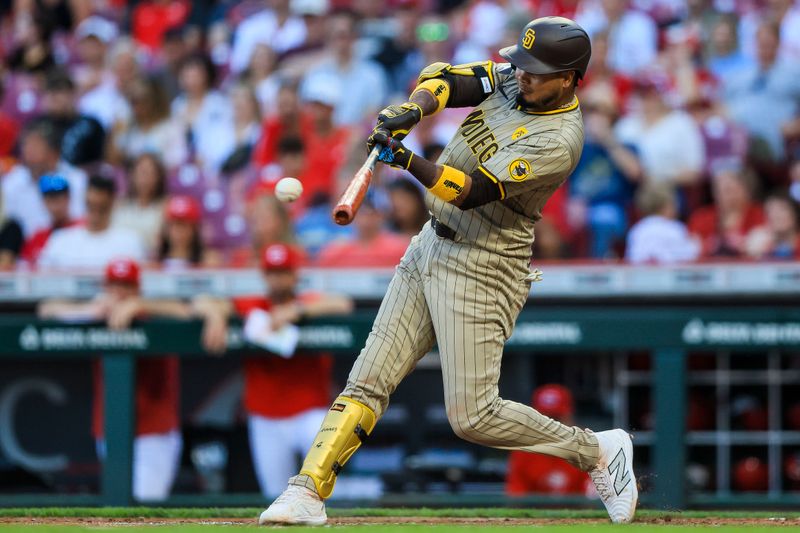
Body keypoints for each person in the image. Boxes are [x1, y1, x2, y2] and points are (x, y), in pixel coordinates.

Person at [260, 17, 637, 526]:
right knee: (368, 378)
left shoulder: (560, 139)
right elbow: (449, 79)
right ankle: (306, 490)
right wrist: (412, 109)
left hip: (484, 263)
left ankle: (595, 451)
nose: (522, 76)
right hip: (429, 245)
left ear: (569, 78)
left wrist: (408, 160)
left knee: (473, 417)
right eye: (522, 65)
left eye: (537, 71)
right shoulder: (514, 77)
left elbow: (471, 188)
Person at [38, 257, 227, 501]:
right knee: (118, 504)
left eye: (126, 286)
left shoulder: (153, 311)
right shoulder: (98, 314)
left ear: (137, 288)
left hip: (155, 431)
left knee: (144, 506)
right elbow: (46, 310)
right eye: (114, 286)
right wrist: (89, 310)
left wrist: (141, 305)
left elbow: (189, 309)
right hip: (110, 427)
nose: (120, 293)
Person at [217, 242, 353, 498]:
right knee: (276, 496)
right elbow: (211, 301)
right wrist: (216, 314)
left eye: (283, 272)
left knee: (325, 487)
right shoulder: (255, 305)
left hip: (308, 412)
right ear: (264, 275)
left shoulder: (306, 302)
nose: (278, 280)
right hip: (266, 416)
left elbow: (342, 303)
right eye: (272, 273)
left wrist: (296, 311)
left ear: (294, 275)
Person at [1, 117, 87, 238]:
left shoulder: (76, 181)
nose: (28, 151)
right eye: (26, 144)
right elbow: (9, 227)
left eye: (35, 145)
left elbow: (80, 223)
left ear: (54, 152)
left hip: (67, 247)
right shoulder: (12, 181)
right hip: (24, 252)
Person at [38, 175, 145, 268]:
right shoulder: (60, 241)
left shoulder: (129, 242)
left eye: (101, 206)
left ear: (112, 203)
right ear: (84, 201)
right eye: (91, 205)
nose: (95, 212)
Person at [506, 385, 592, 495]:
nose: (551, 427)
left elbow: (592, 501)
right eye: (544, 420)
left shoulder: (586, 447)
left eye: (557, 418)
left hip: (577, 512)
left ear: (569, 417)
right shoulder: (523, 450)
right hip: (535, 512)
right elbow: (517, 497)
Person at [688, 168, 764, 258]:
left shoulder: (758, 214)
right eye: (721, 190)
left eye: (731, 189)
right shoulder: (701, 217)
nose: (727, 195)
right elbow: (691, 247)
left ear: (746, 191)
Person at [625, 183, 701, 264]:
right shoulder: (675, 228)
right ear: (667, 207)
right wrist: (696, 243)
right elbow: (690, 255)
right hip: (668, 275)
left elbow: (630, 259)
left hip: (640, 276)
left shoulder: (636, 230)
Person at [112, 154, 168, 257]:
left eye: (151, 173)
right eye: (142, 172)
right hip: (117, 257)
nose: (145, 178)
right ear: (132, 175)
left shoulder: (166, 206)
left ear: (159, 177)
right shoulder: (119, 205)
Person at [20, 174, 80, 265]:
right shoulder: (38, 237)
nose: (55, 207)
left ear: (68, 198)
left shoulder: (81, 229)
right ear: (44, 202)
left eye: (59, 200)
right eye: (50, 200)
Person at [745, 192, 800, 260]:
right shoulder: (759, 240)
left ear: (794, 213)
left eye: (782, 209)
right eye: (770, 210)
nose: (776, 216)